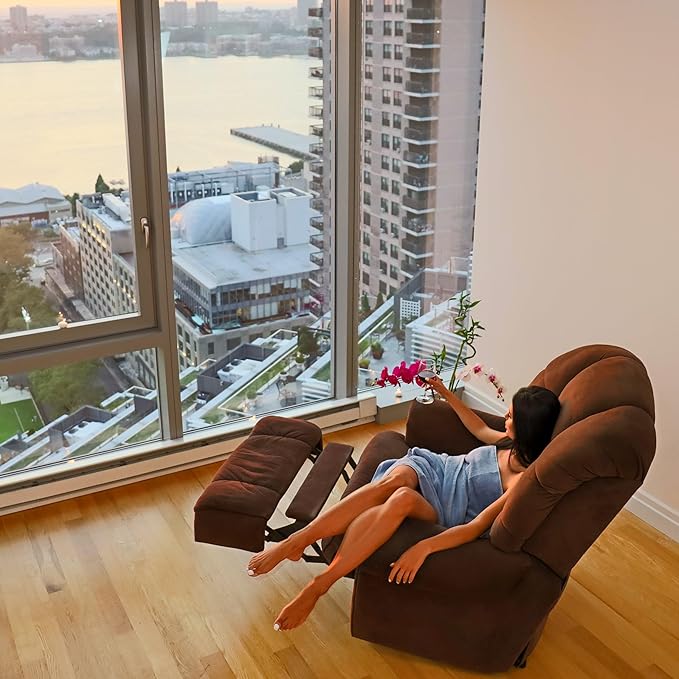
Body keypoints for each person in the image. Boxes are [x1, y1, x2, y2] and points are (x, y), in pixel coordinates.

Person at [247, 376, 561, 631]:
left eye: (511, 415)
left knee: (401, 497)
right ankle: (297, 540)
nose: (505, 416)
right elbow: (478, 428)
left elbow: (476, 526)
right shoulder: (509, 443)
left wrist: (424, 547)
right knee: (393, 482)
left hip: (446, 506)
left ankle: (319, 584)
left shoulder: (523, 482)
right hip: (436, 467)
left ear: (527, 427)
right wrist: (445, 392)